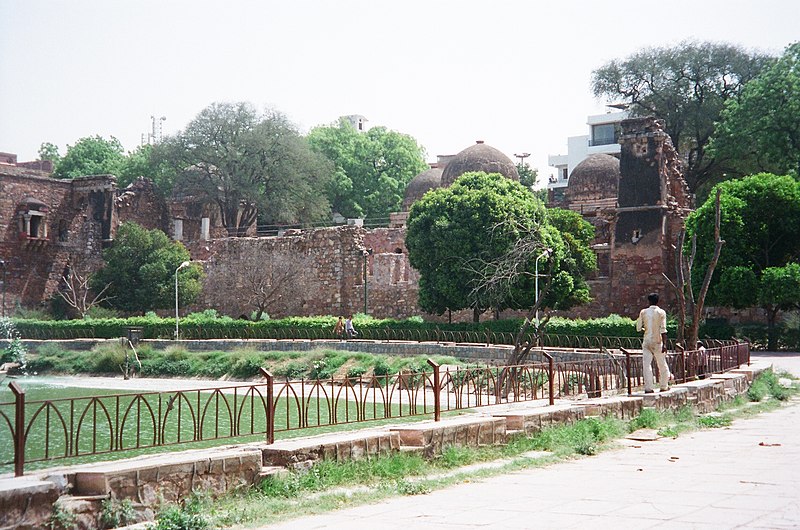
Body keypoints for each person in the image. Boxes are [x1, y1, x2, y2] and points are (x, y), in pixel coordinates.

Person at [635, 292, 670, 393]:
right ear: (658, 301)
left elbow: (638, 328)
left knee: (646, 365)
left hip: (647, 341)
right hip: (657, 341)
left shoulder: (643, 312)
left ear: (649, 301)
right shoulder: (661, 312)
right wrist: (665, 344)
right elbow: (663, 330)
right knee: (662, 364)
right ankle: (664, 386)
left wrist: (645, 330)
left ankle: (648, 388)